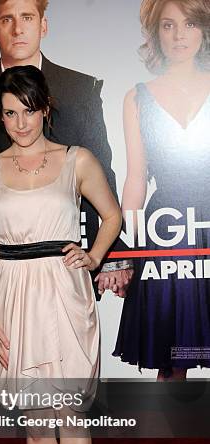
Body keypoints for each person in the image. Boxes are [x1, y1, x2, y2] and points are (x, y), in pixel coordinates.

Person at [0, 65, 122, 444]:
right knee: (37, 422)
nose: (20, 122)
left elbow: (113, 215)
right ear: (1, 115)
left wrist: (95, 256)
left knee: (70, 418)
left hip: (63, 293)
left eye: (28, 110)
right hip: (12, 299)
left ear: (46, 107)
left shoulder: (76, 159)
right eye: (10, 112)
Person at [0, 0, 131, 312]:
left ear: (43, 25)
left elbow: (104, 180)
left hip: (67, 276)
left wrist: (107, 255)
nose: (18, 29)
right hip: (6, 279)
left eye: (27, 17)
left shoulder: (81, 87)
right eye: (7, 19)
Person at [113, 0, 210, 380]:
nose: (179, 35)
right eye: (168, 26)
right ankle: (168, 439)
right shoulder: (137, 98)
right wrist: (126, 250)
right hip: (166, 232)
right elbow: (136, 178)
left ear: (204, 29)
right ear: (156, 33)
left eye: (189, 24)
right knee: (171, 356)